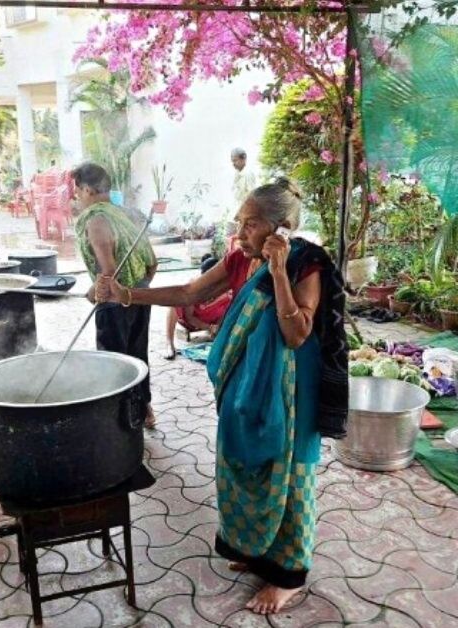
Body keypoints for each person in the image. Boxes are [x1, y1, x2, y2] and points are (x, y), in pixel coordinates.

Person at [95, 177, 348, 614]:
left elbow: (295, 332)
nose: (241, 231)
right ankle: (254, 548)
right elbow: (192, 292)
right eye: (240, 221)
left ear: (282, 227)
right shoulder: (238, 259)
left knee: (287, 471)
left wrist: (278, 274)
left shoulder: (306, 264)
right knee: (243, 462)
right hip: (243, 388)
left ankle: (288, 574)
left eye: (251, 224)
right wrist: (127, 295)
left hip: (288, 392)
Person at [71, 162, 159, 428]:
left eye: (77, 191)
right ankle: (144, 411)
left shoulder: (96, 220)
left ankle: (118, 423)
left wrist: (95, 290)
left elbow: (108, 270)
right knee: (137, 356)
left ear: (87, 189)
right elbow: (152, 262)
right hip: (141, 297)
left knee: (114, 362)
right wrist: (136, 292)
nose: (76, 197)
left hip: (114, 304)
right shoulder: (126, 214)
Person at [163, 255, 234, 360]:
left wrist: (216, 327)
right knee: (174, 302)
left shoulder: (225, 287)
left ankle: (219, 338)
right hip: (191, 321)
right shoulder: (194, 285)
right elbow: (189, 317)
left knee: (230, 303)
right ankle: (169, 344)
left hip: (212, 321)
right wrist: (208, 327)